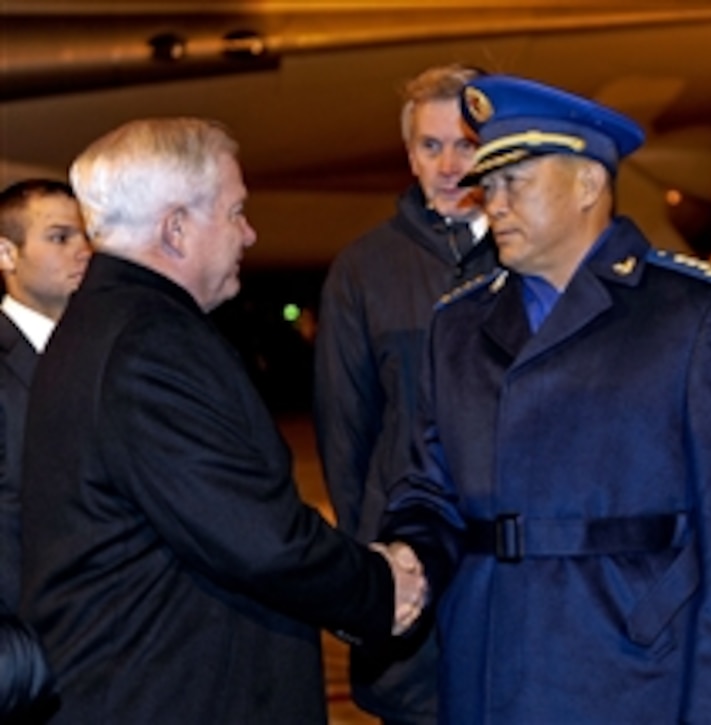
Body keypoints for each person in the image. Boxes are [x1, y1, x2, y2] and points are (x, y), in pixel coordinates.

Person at [377, 75, 711, 723]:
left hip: (631, 677)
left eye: (517, 181)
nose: (495, 203)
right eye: (493, 182)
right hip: (488, 670)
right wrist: (409, 555)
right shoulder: (458, 325)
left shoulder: (691, 316)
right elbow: (430, 490)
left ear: (588, 184)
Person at [18, 118, 428, 724]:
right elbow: (254, 534)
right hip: (174, 697)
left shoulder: (108, 324)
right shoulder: (147, 343)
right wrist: (377, 585)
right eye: (236, 212)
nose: (250, 233)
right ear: (176, 229)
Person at [313, 62, 496, 725]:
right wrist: (374, 573)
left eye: (466, 144)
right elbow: (345, 435)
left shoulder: (530, 258)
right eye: (430, 145)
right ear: (408, 153)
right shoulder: (362, 271)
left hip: (507, 574)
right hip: (410, 577)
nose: (449, 165)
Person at [0, 179, 90, 611]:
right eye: (59, 237)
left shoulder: (102, 349)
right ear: (6, 254)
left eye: (87, 235)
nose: (82, 250)